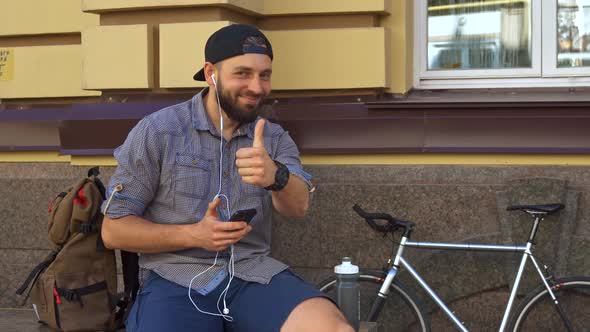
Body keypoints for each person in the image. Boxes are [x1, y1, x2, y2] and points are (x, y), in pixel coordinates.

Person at [101, 24, 353, 332]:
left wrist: (277, 176)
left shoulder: (273, 139)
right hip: (176, 277)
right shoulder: (158, 132)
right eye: (243, 73)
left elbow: (298, 207)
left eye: (265, 75)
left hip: (252, 275)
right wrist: (194, 235)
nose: (257, 87)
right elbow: (114, 231)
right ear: (211, 73)